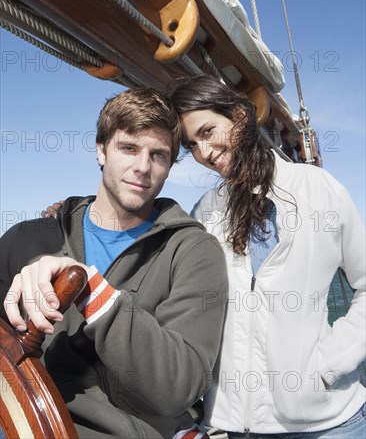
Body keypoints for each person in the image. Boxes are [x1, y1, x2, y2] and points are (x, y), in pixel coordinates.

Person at [0, 87, 228, 439]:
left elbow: (180, 387)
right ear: (101, 150)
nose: (142, 167)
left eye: (159, 155)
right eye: (129, 148)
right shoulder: (25, 239)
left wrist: (94, 295)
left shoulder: (194, 252)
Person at [169, 75, 366, 438]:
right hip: (242, 429)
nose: (204, 152)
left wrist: (330, 364)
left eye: (209, 131)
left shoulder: (317, 189)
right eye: (192, 144)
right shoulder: (207, 210)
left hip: (332, 423)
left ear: (240, 117)